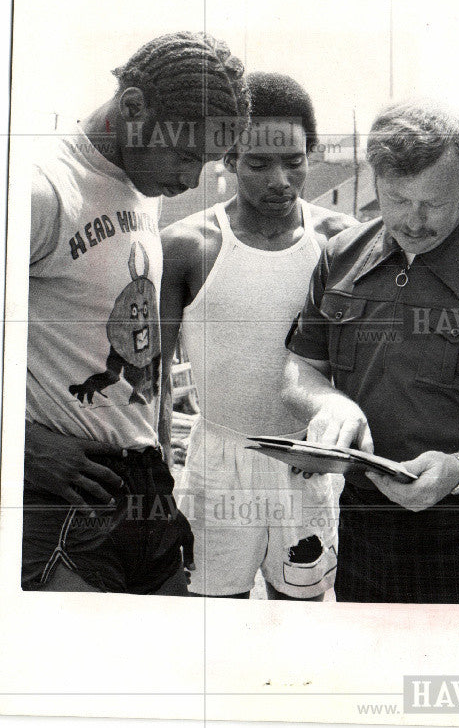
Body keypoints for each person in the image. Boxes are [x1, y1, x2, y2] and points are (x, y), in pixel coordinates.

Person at [281, 100, 459, 604]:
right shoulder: (340, 256)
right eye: (396, 199)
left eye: (433, 202)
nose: (413, 220)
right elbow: (301, 369)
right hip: (367, 521)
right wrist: (331, 404)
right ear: (376, 181)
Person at [24, 31, 250, 594]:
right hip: (66, 494)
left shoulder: (140, 187)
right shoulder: (41, 188)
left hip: (143, 487)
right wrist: (24, 450)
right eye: (186, 154)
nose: (190, 181)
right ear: (132, 108)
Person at [159, 73, 357, 600]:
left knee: (301, 620)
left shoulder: (341, 242)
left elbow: (360, 364)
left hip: (307, 466)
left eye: (295, 162)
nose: (281, 181)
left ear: (311, 154)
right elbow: (151, 378)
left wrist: (340, 449)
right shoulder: (186, 246)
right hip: (218, 463)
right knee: (210, 626)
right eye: (259, 163)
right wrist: (158, 479)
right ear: (227, 158)